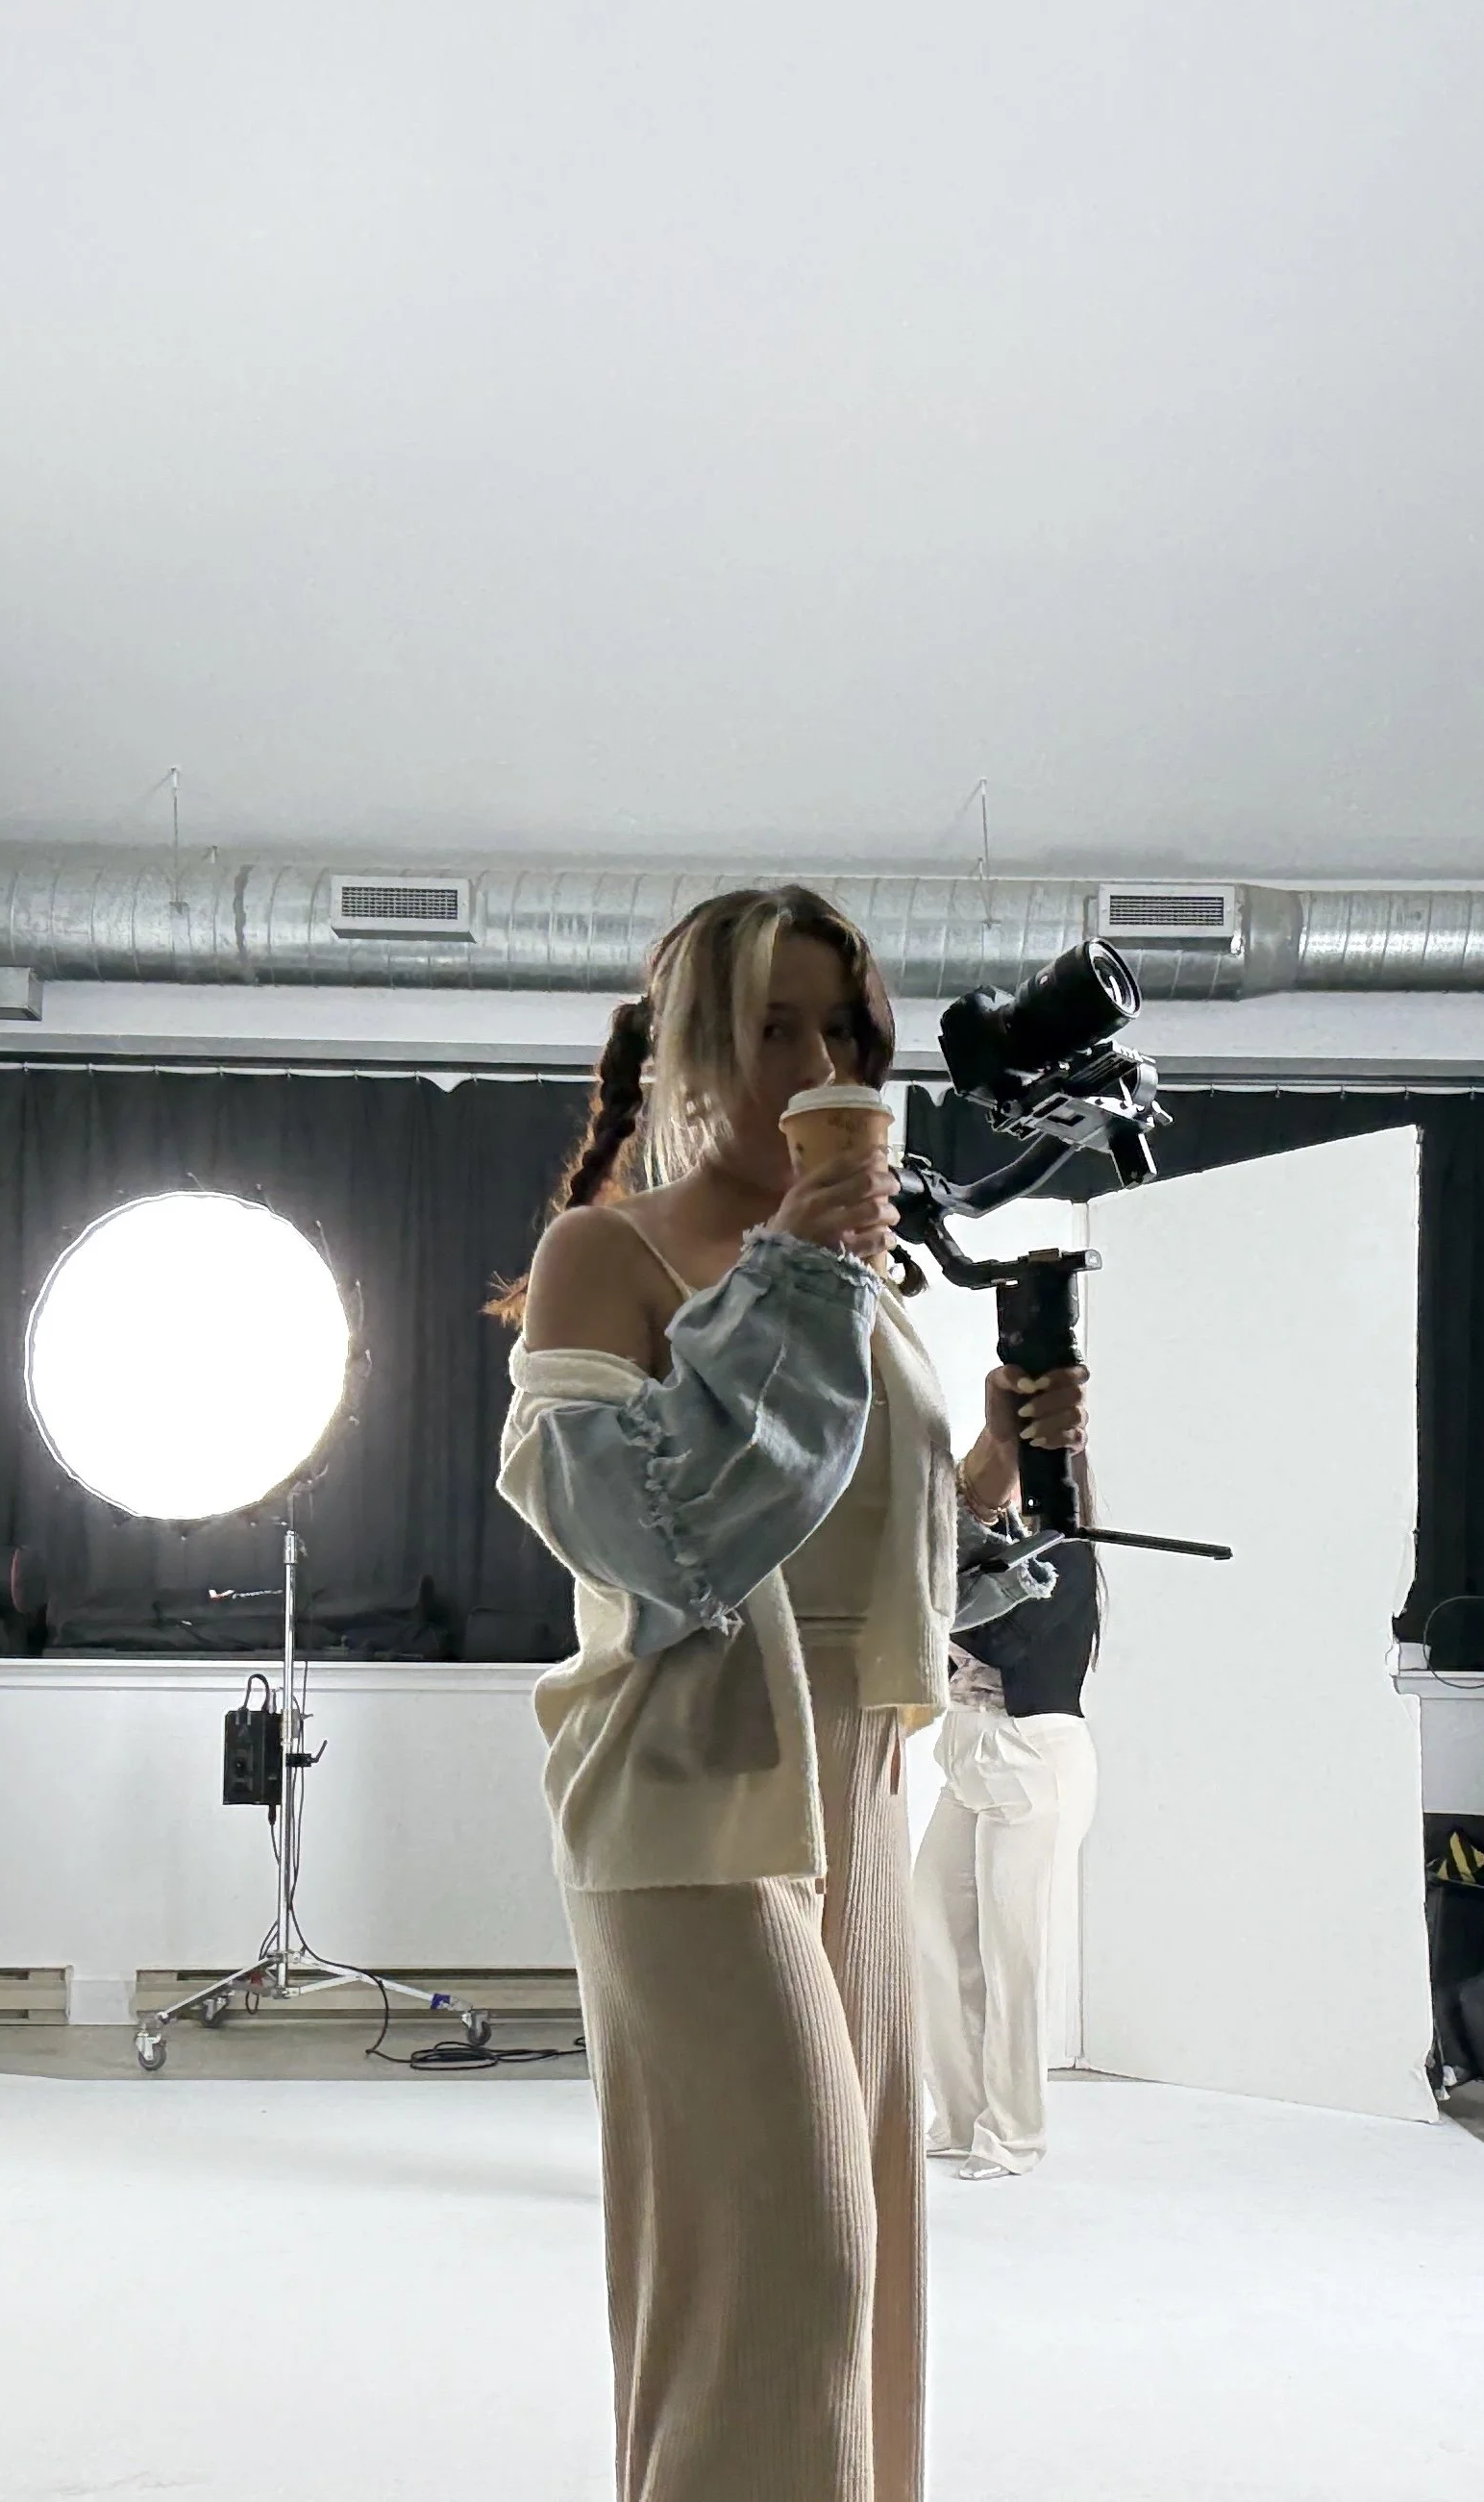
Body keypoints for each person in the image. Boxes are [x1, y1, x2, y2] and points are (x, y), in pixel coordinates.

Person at [493, 884, 1086, 2502]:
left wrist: (993, 1459)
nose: (820, 1059)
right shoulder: (604, 1254)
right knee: (789, 2258)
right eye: (772, 1023)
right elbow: (662, 1538)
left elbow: (873, 1570)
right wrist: (797, 1278)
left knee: (862, 2277)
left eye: (844, 1028)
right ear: (690, 1040)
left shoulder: (868, 1290)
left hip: (855, 1791)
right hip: (688, 1799)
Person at [915, 1508, 1101, 2181]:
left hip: (1031, 1760)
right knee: (931, 1934)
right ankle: (961, 2117)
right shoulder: (962, 1551)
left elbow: (1005, 1643)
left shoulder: (1068, 1552)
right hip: (966, 1757)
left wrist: (937, 1587)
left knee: (1014, 1957)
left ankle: (1015, 2133)